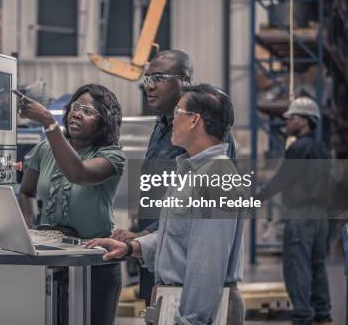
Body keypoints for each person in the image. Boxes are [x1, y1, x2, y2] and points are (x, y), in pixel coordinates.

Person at [87, 84, 245, 325]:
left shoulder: (217, 178)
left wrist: (190, 320)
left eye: (178, 112)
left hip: (195, 312)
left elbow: (207, 263)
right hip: (176, 303)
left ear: (194, 120)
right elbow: (179, 237)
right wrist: (132, 248)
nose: (172, 120)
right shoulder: (192, 171)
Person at [110, 49, 237, 305]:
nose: (150, 86)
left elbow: (207, 255)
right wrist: (138, 239)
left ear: (185, 81)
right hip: (159, 258)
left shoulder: (211, 147)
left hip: (186, 272)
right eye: (147, 79)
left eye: (158, 77)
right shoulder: (162, 127)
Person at [16, 84, 126, 325]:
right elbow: (25, 191)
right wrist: (28, 226)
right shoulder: (45, 148)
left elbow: (79, 174)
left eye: (88, 111)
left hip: (94, 263)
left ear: (103, 121)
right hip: (50, 261)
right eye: (76, 107)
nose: (77, 113)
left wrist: (49, 123)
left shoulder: (112, 156)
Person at [259, 97, 333, 325]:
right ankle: (323, 316)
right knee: (317, 266)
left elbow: (282, 179)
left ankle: (303, 317)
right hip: (321, 217)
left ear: (303, 121)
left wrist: (256, 198)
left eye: (291, 117)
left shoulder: (298, 148)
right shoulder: (322, 148)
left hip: (301, 216)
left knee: (297, 268)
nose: (287, 121)